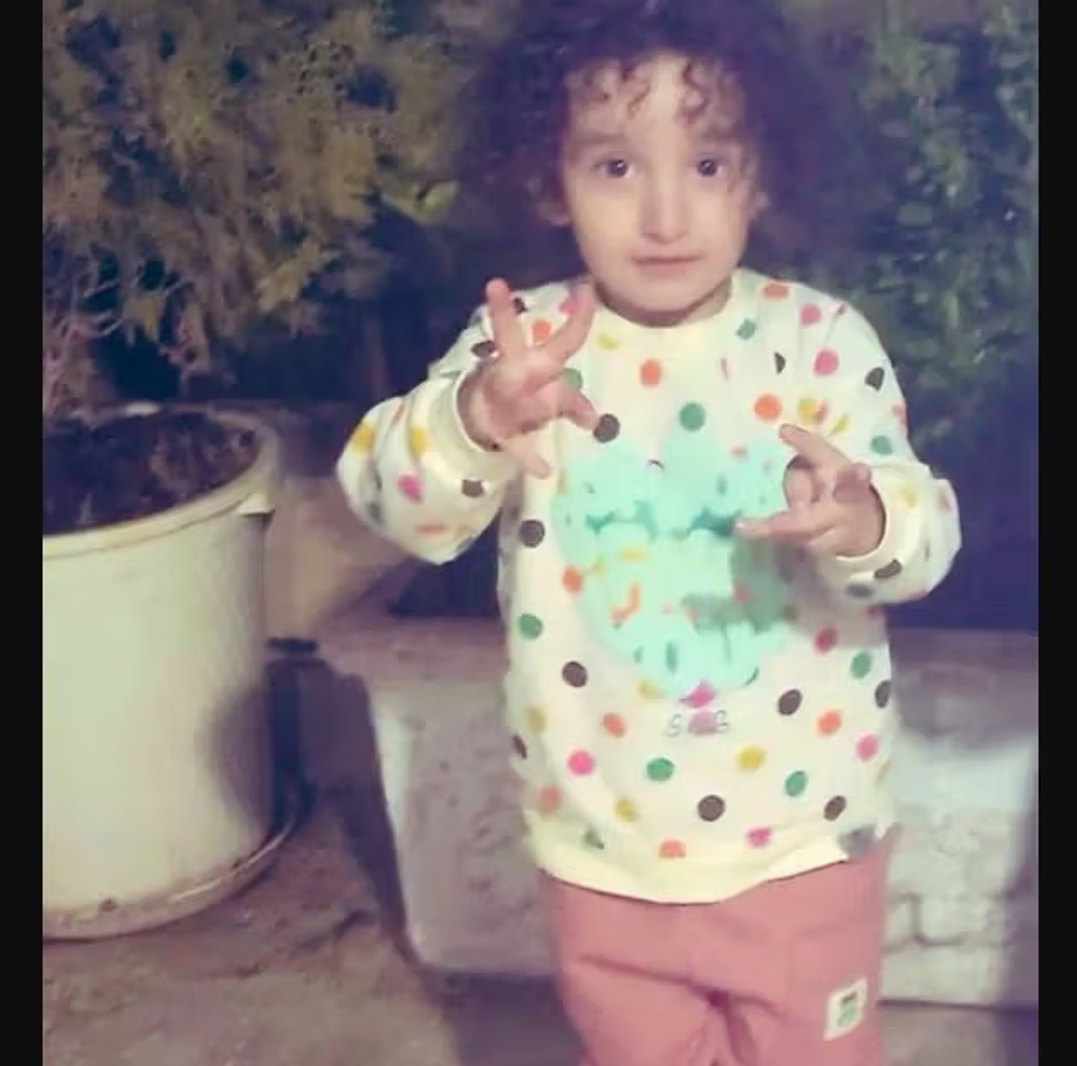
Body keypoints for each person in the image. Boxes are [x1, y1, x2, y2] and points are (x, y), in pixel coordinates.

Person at [335, 2, 962, 1062]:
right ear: (549, 177)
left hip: (805, 845)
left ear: (762, 174)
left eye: (708, 163)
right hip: (601, 853)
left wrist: (862, 515)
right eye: (617, 166)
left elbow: (925, 539)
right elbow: (392, 501)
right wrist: (476, 418)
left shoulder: (821, 341)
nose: (665, 215)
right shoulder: (523, 350)